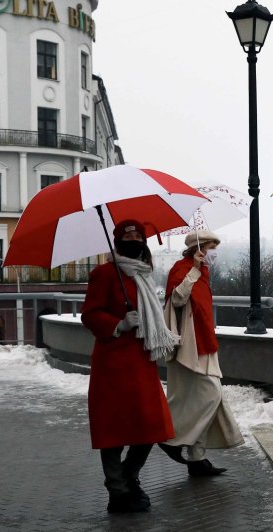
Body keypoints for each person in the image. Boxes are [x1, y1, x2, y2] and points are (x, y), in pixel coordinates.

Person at [81, 220, 179, 513]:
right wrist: (118, 324)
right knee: (112, 430)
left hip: (141, 359)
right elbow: (90, 314)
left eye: (139, 236)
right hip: (113, 361)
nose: (134, 239)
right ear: (117, 241)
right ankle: (118, 492)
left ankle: (128, 476)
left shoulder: (143, 276)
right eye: (128, 236)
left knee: (151, 426)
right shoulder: (104, 274)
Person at [159, 229, 244, 476]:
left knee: (203, 400)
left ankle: (197, 459)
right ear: (198, 249)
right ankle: (168, 437)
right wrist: (194, 270)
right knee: (209, 396)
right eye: (211, 247)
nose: (214, 252)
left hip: (204, 343)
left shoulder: (203, 273)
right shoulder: (183, 268)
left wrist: (198, 270)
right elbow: (175, 299)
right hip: (189, 345)